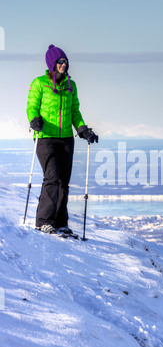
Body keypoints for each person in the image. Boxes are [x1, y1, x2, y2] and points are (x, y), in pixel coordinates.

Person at [26, 44, 98, 236]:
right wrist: (34, 120)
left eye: (65, 61)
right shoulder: (39, 83)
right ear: (52, 63)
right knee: (52, 178)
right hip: (45, 137)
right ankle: (43, 221)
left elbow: (74, 111)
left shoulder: (70, 85)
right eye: (60, 61)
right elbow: (32, 106)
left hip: (66, 138)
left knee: (63, 181)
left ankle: (60, 222)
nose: (63, 65)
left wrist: (83, 130)